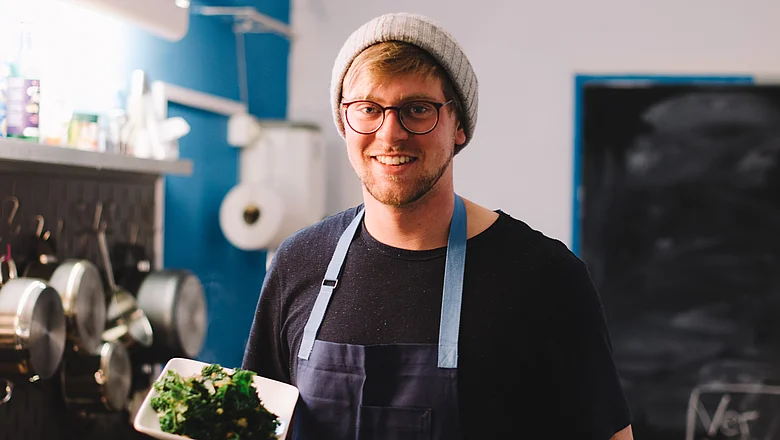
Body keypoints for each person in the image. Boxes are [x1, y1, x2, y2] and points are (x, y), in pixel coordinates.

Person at [243, 12, 633, 440]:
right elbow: (254, 425)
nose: (390, 134)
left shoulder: (545, 277)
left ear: (459, 126)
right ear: (343, 121)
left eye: (417, 109)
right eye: (368, 109)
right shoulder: (299, 263)